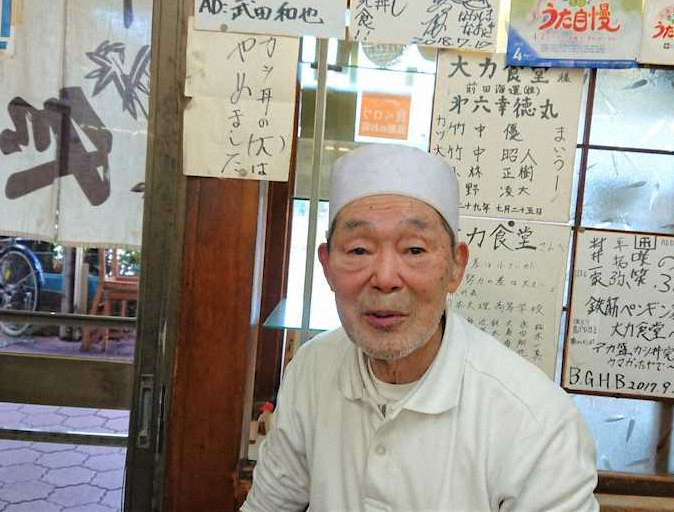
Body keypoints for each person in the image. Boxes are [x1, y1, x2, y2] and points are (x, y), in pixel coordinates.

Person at [242, 144, 599, 512]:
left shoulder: (534, 422)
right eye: (359, 250)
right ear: (327, 266)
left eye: (414, 250)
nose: (384, 278)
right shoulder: (311, 370)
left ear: (456, 267)